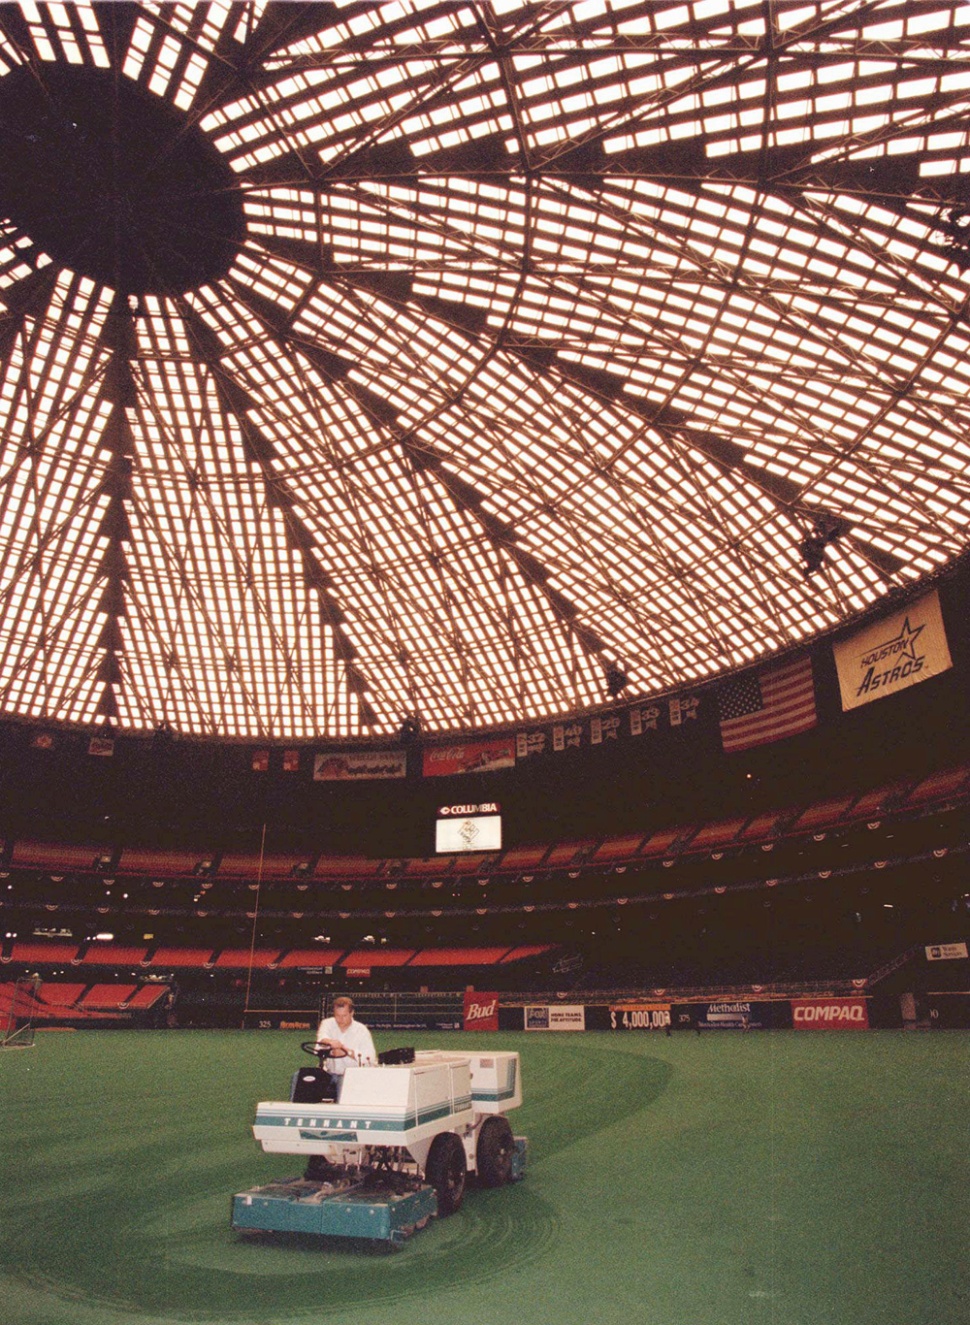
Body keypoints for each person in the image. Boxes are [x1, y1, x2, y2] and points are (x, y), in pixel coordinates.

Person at [314, 996, 377, 1089]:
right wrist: (331, 1044)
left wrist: (346, 1052)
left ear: (352, 1013)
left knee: (342, 1086)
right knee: (300, 1077)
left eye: (344, 1016)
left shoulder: (361, 1030)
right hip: (329, 1073)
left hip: (351, 1076)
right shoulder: (327, 1023)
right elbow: (321, 1040)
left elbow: (370, 1058)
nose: (340, 1019)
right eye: (337, 1016)